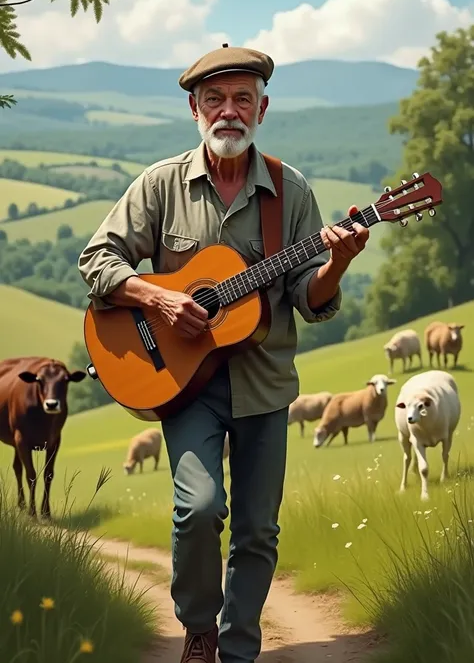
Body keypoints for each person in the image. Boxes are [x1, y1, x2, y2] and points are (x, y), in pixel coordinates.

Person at [77, 43, 369, 662]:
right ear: (194, 108)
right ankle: (199, 627)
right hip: (184, 382)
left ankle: (238, 650)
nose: (229, 111)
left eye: (242, 99)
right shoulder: (161, 185)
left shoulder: (292, 193)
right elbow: (96, 260)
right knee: (200, 508)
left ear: (263, 108)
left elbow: (309, 296)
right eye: (215, 99)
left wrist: (336, 263)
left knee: (259, 530)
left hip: (264, 382)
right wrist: (156, 300)